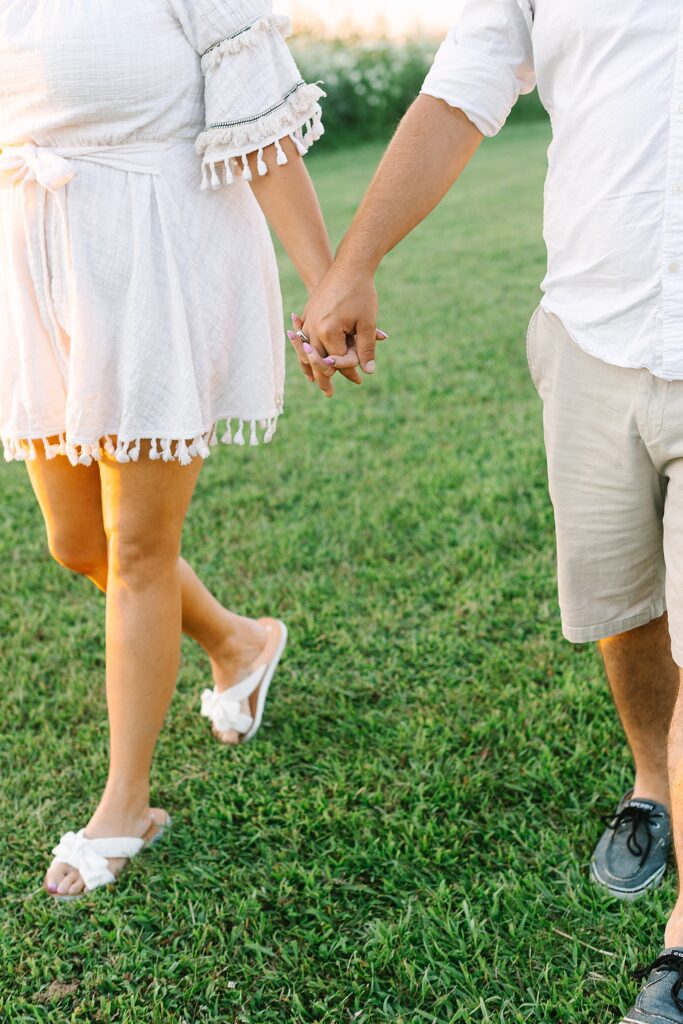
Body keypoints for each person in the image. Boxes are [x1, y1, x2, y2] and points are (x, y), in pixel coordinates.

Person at [291, 2, 683, 1020]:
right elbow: (459, 93)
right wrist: (352, 263)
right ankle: (652, 783)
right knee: (620, 598)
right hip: (591, 325)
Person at [0, 0, 340, 899]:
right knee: (78, 544)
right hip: (46, 265)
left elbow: (263, 127)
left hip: (155, 262)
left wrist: (328, 283)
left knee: (140, 546)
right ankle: (239, 642)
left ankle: (126, 804)